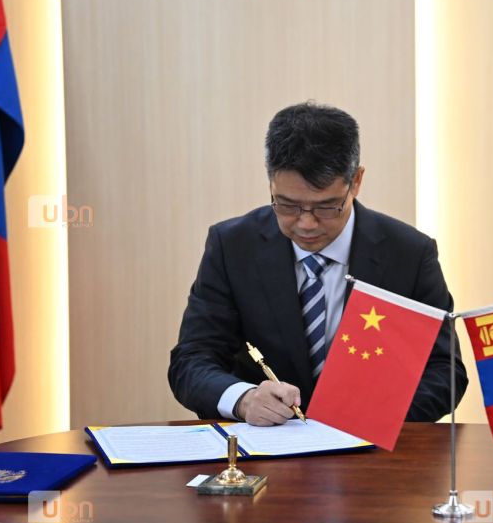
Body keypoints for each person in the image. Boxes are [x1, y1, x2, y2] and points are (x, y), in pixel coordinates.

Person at [168, 101, 466, 425]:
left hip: (370, 445)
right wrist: (243, 399)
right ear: (270, 181)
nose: (306, 224)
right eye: (287, 205)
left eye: (326, 207)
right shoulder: (233, 246)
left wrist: (374, 416)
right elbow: (192, 360)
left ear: (356, 181)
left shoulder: (409, 253)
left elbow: (445, 371)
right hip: (266, 445)